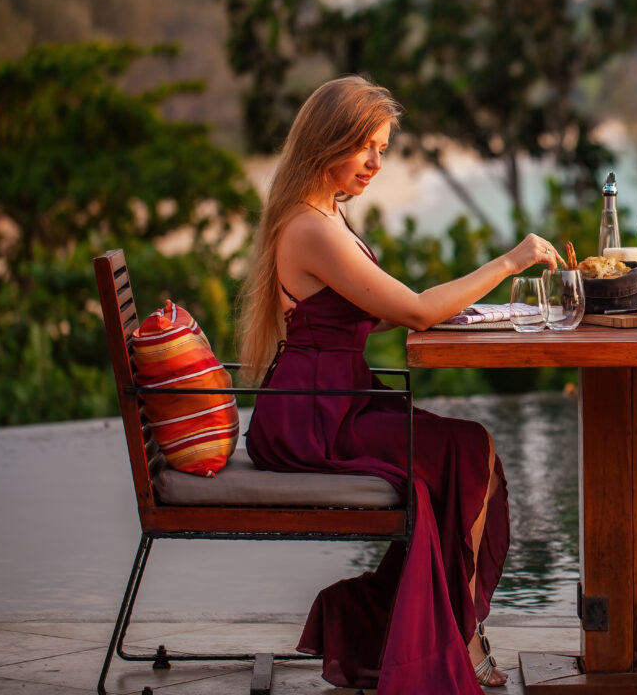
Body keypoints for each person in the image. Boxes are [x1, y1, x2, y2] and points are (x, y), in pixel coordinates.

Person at [237, 75, 559, 693]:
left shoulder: (323, 214)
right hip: (316, 420)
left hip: (334, 401)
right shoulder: (311, 227)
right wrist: (509, 262)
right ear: (330, 139)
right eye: (366, 147)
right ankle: (445, 638)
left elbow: (371, 309)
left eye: (382, 149)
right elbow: (411, 312)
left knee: (464, 451)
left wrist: (450, 307)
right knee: (463, 453)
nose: (376, 164)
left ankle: (428, 630)